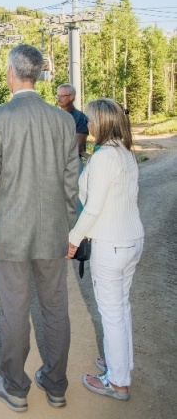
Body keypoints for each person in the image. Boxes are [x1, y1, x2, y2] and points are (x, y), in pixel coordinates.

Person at [0, 44, 79, 412]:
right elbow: (72, 181)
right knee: (55, 307)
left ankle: (15, 387)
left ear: (11, 72)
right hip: (53, 231)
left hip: (11, 232)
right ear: (37, 74)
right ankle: (55, 385)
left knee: (14, 308)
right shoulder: (63, 120)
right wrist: (72, 230)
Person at [67, 98, 144, 401]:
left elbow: (93, 206)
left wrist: (73, 239)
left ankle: (117, 382)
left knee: (111, 314)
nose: (87, 124)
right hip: (131, 241)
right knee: (120, 309)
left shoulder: (104, 158)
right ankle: (119, 364)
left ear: (102, 122)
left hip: (111, 244)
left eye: (90, 119)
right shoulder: (123, 153)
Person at [57, 84, 89, 160]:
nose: (59, 99)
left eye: (62, 96)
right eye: (58, 96)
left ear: (72, 97)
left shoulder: (80, 117)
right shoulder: (53, 115)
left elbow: (78, 147)